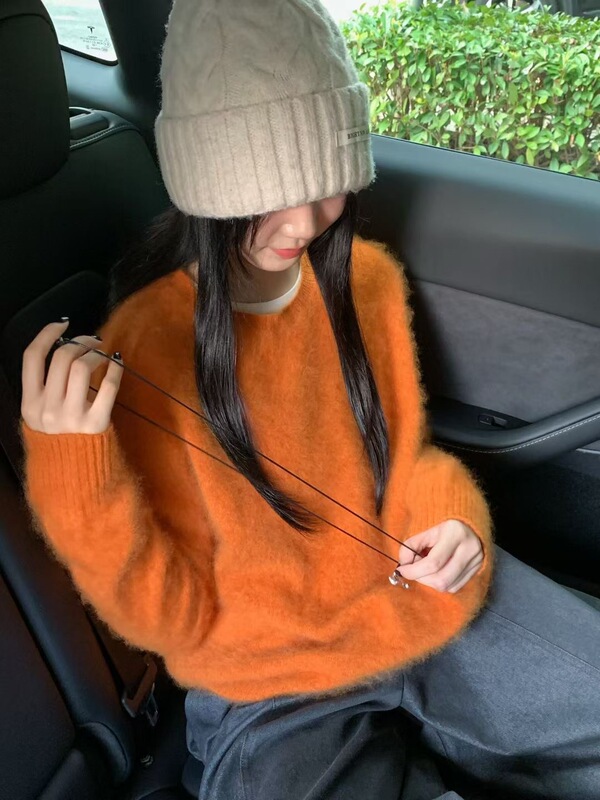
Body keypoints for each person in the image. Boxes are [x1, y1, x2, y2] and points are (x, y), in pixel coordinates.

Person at [18, 1, 600, 798]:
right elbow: (164, 611)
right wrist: (74, 468)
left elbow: (407, 454)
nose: (302, 221)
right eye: (266, 193)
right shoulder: (149, 345)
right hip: (264, 684)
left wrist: (452, 517)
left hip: (416, 593)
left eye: (325, 185)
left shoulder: (367, 281)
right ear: (208, 183)